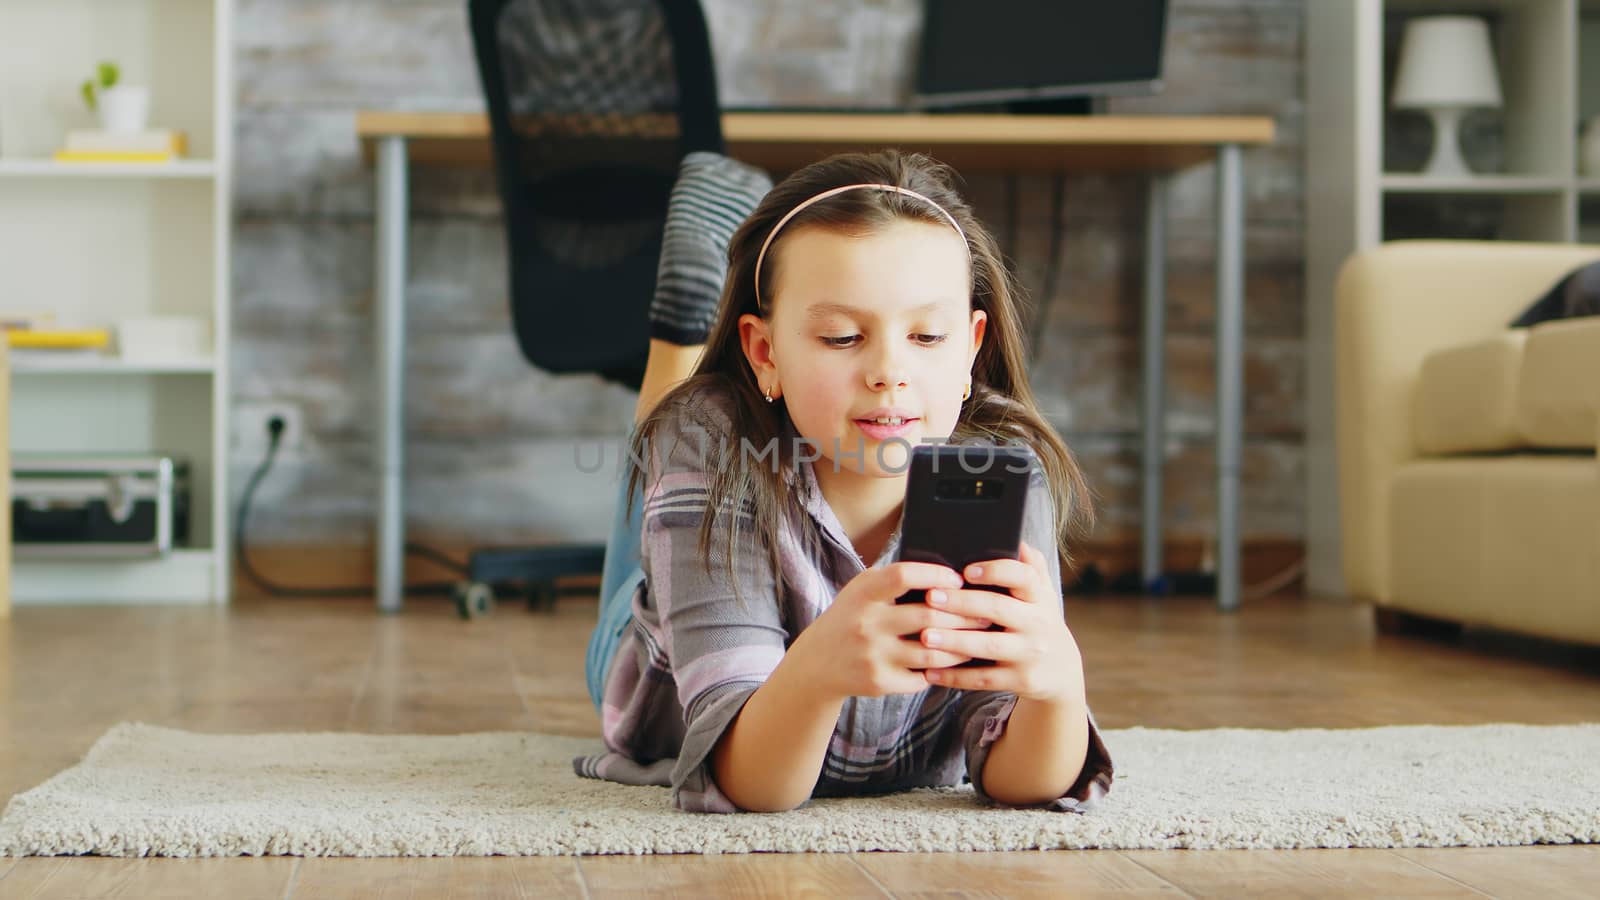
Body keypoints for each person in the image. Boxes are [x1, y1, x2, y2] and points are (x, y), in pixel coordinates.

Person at [576, 149, 1114, 814]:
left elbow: (1019, 780)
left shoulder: (1003, 471)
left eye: (927, 335)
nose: (890, 370)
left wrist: (1058, 688)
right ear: (766, 354)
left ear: (971, 349)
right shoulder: (706, 451)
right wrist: (817, 669)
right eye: (840, 337)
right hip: (664, 650)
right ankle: (676, 340)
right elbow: (754, 787)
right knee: (672, 435)